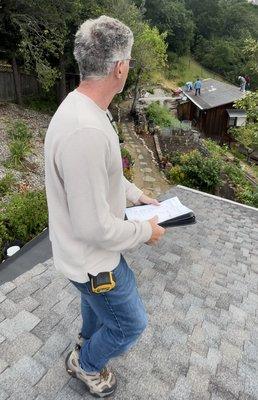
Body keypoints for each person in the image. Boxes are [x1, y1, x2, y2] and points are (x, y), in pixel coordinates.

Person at [44, 15, 165, 398]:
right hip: (94, 261)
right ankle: (87, 364)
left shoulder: (84, 109)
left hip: (82, 258)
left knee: (95, 308)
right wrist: (146, 230)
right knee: (129, 324)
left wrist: (135, 197)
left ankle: (84, 343)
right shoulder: (87, 131)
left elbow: (106, 176)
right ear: (120, 67)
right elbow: (94, 227)